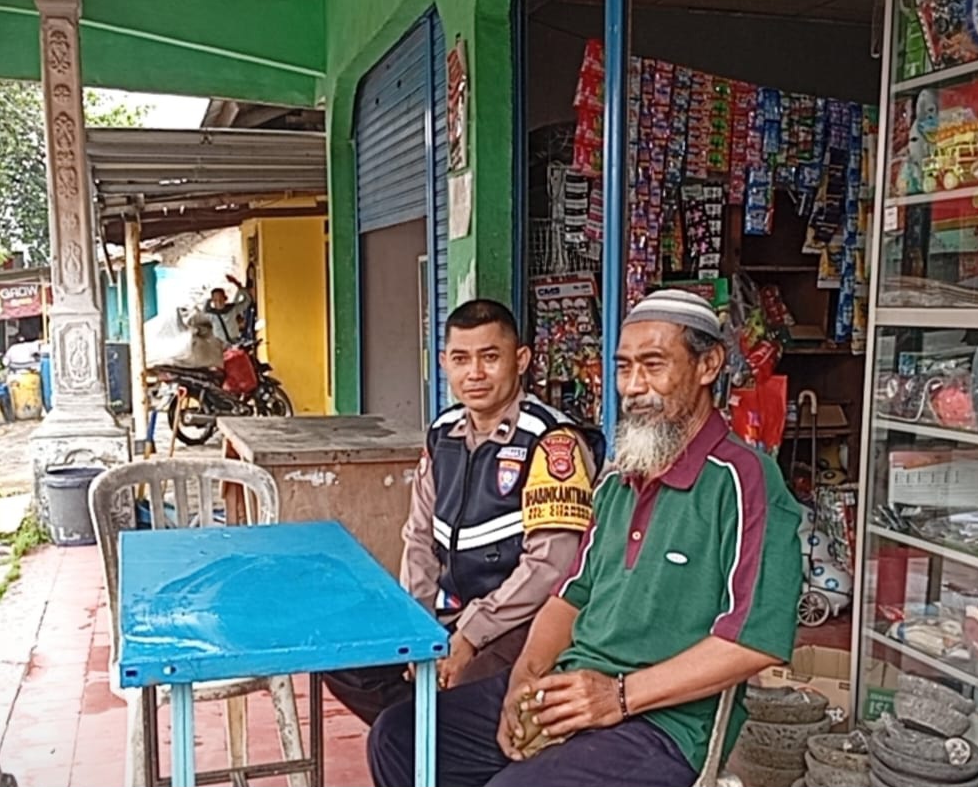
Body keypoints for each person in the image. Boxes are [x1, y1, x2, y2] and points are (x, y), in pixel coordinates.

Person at [367, 289, 802, 787]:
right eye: (624, 368)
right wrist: (523, 682)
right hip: (571, 690)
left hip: (663, 724)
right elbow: (569, 598)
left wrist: (618, 696)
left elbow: (754, 642)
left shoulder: (744, 480)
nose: (634, 387)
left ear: (708, 365)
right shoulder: (619, 481)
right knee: (400, 736)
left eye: (653, 366)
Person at [324, 299, 604, 726]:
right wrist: (417, 630)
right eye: (460, 359)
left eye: (490, 357)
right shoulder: (443, 434)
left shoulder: (550, 441)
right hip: (448, 613)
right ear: (444, 363)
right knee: (347, 659)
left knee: (466, 693)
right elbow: (419, 538)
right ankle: (421, 743)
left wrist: (471, 634)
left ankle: (433, 741)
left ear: (521, 360)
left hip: (520, 620)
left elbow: (551, 566)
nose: (474, 373)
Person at [204, 274, 251, 345]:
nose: (219, 302)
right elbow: (203, 314)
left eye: (220, 298)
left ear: (225, 298)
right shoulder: (210, 315)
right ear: (212, 301)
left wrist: (238, 285)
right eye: (215, 300)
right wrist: (207, 301)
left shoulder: (233, 309)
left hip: (235, 343)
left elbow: (247, 301)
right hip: (220, 346)